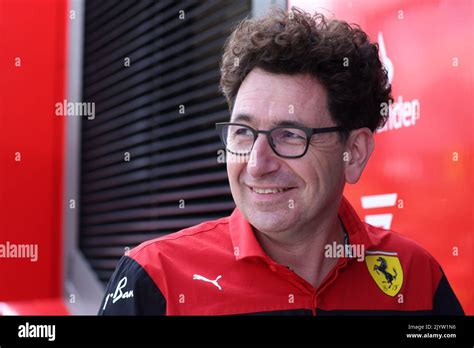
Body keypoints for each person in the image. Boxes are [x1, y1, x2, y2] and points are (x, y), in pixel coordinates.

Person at [98, 7, 464, 315]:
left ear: (353, 153)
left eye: (289, 136)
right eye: (242, 132)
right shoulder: (153, 280)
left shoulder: (418, 278)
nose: (257, 164)